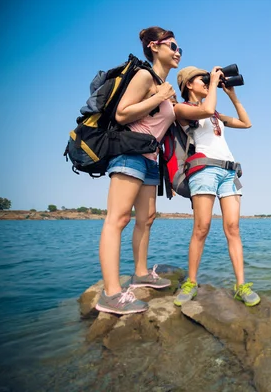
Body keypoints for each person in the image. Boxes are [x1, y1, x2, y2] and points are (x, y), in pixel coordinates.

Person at [95, 27, 181, 315]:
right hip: (129, 153)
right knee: (118, 219)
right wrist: (160, 97)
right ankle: (110, 294)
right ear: (154, 47)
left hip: (151, 159)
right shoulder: (144, 76)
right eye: (172, 45)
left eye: (179, 47)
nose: (177, 51)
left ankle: (141, 273)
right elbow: (122, 113)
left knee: (146, 218)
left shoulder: (165, 88)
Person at [173, 65, 260, 307]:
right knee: (202, 227)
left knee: (233, 228)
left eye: (206, 79)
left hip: (228, 171)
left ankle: (241, 285)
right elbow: (207, 107)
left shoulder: (214, 115)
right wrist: (213, 83)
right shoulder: (182, 109)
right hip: (204, 171)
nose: (205, 81)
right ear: (188, 84)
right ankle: (191, 282)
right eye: (200, 79)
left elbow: (246, 123)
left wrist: (231, 95)